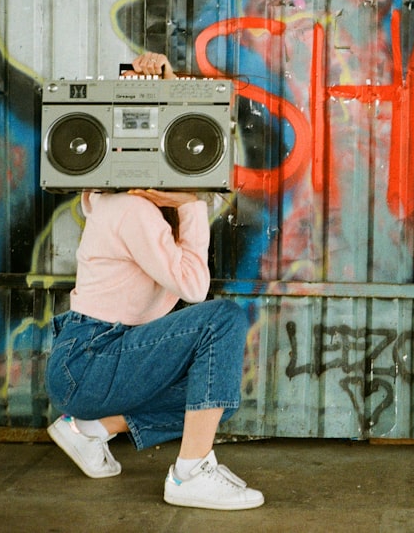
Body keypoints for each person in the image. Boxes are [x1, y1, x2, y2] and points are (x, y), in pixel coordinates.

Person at [44, 52, 263, 510]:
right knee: (220, 319)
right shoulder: (132, 212)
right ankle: (189, 474)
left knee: (215, 394)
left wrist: (167, 86)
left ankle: (91, 428)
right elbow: (194, 288)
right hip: (91, 359)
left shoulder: (112, 203)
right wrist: (192, 204)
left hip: (90, 360)